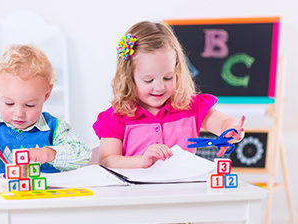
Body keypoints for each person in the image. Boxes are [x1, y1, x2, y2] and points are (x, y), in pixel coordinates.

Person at [93, 21, 245, 169]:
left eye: (168, 78)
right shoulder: (116, 116)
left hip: (183, 193)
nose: (159, 87)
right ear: (129, 77)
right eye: (148, 80)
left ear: (177, 71)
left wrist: (233, 130)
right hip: (135, 194)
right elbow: (106, 160)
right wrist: (140, 161)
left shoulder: (190, 106)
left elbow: (226, 123)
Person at [0, 44, 91, 175]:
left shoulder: (55, 129)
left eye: (30, 105)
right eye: (9, 103)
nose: (19, 113)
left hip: (43, 201)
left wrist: (49, 153)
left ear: (46, 94)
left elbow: (82, 155)